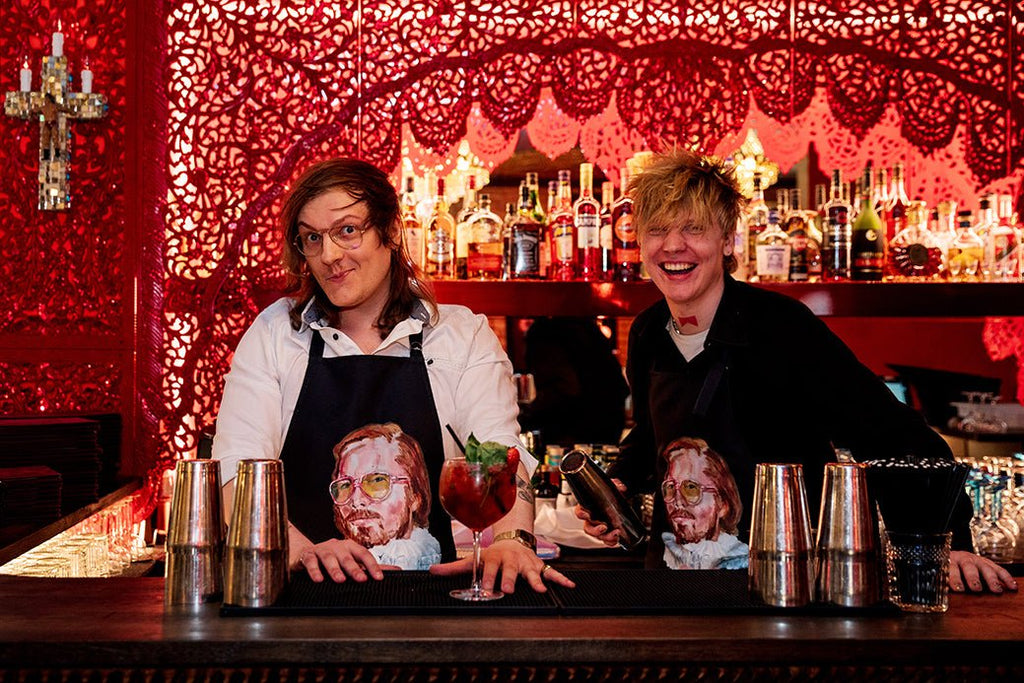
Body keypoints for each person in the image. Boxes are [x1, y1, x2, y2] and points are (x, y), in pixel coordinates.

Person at [578, 149, 1017, 594]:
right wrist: (619, 486)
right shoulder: (650, 331)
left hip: (782, 587)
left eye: (694, 228)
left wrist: (949, 540)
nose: (673, 246)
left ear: (729, 240)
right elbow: (656, 433)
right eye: (658, 231)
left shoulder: (780, 327)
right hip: (674, 585)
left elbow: (893, 432)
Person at [213, 157, 572, 594]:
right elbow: (236, 476)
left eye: (347, 230)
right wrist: (304, 551)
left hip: (429, 605)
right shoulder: (275, 334)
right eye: (312, 238)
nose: (328, 256)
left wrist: (513, 540)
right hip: (301, 597)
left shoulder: (460, 335)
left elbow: (498, 456)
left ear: (392, 231)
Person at [330, 423, 440, 570]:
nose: (356, 501)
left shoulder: (420, 554)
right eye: (345, 486)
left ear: (414, 497)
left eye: (377, 481)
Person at [660, 437, 747, 570]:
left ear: (723, 504)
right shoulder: (670, 552)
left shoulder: (738, 557)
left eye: (690, 488)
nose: (677, 501)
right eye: (670, 487)